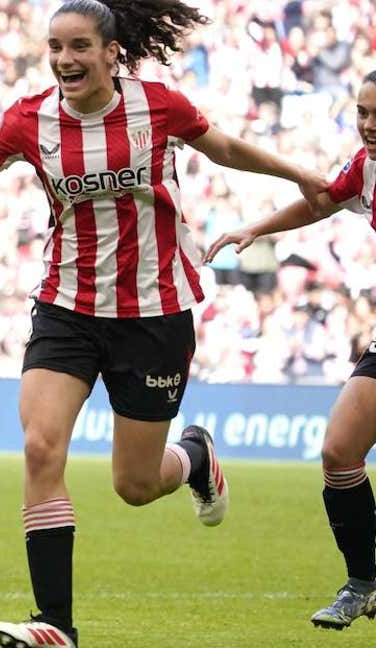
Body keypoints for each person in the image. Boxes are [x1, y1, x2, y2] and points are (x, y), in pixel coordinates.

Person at [0, 1, 328, 645]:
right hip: (66, 308)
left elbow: (222, 147)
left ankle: (192, 458)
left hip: (154, 313)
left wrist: (298, 173)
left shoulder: (158, 105)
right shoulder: (30, 121)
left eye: (79, 46)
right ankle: (55, 625)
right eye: (55, 47)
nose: (64, 59)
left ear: (112, 52)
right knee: (39, 446)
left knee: (135, 485)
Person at [205, 70, 376, 632]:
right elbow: (325, 200)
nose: (368, 125)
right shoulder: (367, 165)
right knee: (338, 452)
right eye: (362, 112)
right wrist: (256, 228)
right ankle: (363, 583)